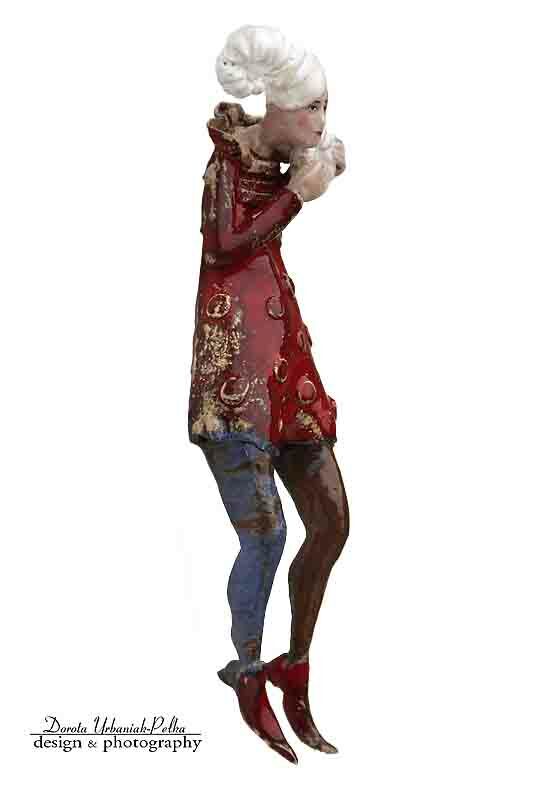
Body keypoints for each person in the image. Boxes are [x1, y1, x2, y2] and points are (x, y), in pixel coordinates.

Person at [188, 25, 349, 764]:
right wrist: (296, 195)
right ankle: (248, 671)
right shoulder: (227, 165)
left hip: (284, 373)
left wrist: (323, 166)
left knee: (332, 522)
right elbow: (224, 246)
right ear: (278, 109)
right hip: (234, 382)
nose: (321, 121)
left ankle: (296, 664)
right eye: (312, 109)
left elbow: (327, 158)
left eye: (324, 107)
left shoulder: (281, 154)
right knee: (266, 534)